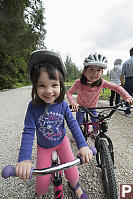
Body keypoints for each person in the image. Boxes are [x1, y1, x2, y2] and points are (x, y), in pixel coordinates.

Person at [15, 50, 93, 199]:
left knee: (73, 173)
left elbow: (73, 124)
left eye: (54, 85)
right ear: (35, 87)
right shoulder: (33, 107)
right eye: (42, 85)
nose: (49, 91)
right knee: (42, 183)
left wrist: (83, 145)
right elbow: (29, 131)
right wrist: (24, 159)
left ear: (61, 85)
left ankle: (74, 185)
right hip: (44, 147)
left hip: (61, 142)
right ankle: (40, 195)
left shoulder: (63, 105)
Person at [67, 52, 133, 133]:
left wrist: (127, 97)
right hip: (80, 107)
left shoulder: (102, 82)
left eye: (98, 70)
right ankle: (80, 135)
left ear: (102, 72)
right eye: (91, 69)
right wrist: (73, 103)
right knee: (78, 124)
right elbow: (69, 93)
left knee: (96, 124)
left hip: (93, 107)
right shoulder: (79, 82)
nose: (95, 73)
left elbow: (116, 87)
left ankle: (95, 136)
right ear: (84, 71)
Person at [120, 47, 133, 116]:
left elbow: (122, 75)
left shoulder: (125, 63)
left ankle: (127, 112)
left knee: (128, 96)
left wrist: (122, 83)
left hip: (128, 80)